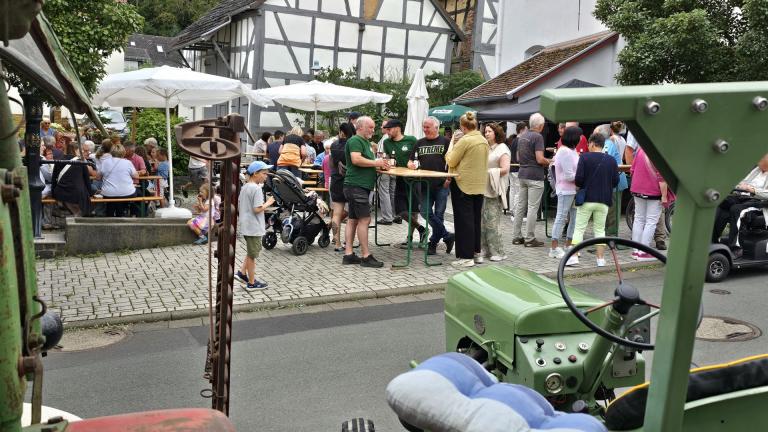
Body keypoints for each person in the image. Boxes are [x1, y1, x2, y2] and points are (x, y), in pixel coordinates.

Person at [342, 116, 389, 267]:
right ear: (360, 127)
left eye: (374, 128)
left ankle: (348, 254)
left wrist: (379, 166)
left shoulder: (366, 142)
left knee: (353, 219)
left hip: (356, 185)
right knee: (365, 219)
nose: (373, 131)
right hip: (356, 185)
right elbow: (355, 159)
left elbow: (365, 163)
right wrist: (376, 162)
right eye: (371, 127)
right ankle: (366, 256)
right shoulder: (355, 140)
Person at [446, 111, 489, 267]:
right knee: (475, 220)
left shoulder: (465, 140)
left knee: (464, 221)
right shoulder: (483, 140)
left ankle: (466, 257)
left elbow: (451, 159)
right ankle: (477, 253)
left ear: (463, 127)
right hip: (479, 184)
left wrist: (451, 145)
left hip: (463, 184)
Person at [569, 133, 619, 266]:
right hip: (604, 200)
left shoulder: (584, 157)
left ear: (592, 143)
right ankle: (600, 259)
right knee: (600, 230)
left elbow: (578, 179)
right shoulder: (611, 160)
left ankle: (574, 256)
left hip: (587, 199)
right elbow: (615, 181)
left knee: (579, 228)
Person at [408, 117, 455, 256]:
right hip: (424, 184)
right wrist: (410, 164)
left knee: (439, 215)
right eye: (424, 127)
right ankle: (447, 236)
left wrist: (448, 178)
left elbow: (453, 162)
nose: (425, 129)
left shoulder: (446, 142)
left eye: (428, 127)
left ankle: (433, 244)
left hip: (442, 184)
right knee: (424, 212)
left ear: (436, 127)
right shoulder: (419, 143)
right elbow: (411, 160)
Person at [712, 153, 768, 255]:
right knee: (722, 202)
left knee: (736, 209)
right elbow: (743, 182)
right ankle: (712, 240)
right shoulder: (757, 170)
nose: (759, 159)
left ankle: (736, 248)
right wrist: (738, 186)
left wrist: (752, 189)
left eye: (762, 157)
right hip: (743, 197)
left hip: (759, 203)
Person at [235, 161, 275, 290]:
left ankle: (242, 273)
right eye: (264, 173)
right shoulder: (257, 189)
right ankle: (252, 283)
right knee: (253, 255)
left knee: (251, 251)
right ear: (255, 174)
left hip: (246, 225)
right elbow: (257, 209)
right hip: (254, 227)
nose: (266, 176)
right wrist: (269, 203)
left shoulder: (245, 187)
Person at [383, 119, 425, 244]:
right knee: (400, 210)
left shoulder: (411, 140)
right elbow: (388, 158)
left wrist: (414, 164)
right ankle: (421, 228)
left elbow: (419, 157)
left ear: (397, 128)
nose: (387, 132)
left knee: (413, 210)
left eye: (389, 129)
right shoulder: (387, 143)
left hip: (414, 179)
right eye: (386, 130)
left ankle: (410, 238)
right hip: (400, 179)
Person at [512, 112, 550, 247]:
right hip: (535, 175)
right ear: (540, 125)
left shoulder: (522, 137)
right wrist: (550, 161)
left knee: (520, 207)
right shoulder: (538, 137)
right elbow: (540, 159)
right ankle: (529, 238)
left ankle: (516, 236)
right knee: (533, 208)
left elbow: (517, 158)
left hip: (522, 174)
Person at [629, 146, 669, 261]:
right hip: (653, 191)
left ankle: (635, 251)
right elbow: (662, 177)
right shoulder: (659, 152)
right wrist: (664, 196)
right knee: (651, 221)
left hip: (637, 189)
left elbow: (632, 169)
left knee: (638, 219)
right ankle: (643, 252)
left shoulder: (640, 149)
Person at [480, 122, 510, 262]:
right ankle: (485, 250)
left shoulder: (502, 148)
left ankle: (498, 252)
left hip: (494, 188)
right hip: (483, 188)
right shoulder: (486, 148)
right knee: (483, 222)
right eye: (485, 132)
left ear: (496, 133)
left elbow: (505, 169)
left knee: (492, 222)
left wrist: (488, 172)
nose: (486, 134)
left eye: (489, 131)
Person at [549, 126, 581, 259]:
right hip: (565, 189)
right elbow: (568, 175)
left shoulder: (572, 151)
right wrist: (582, 177)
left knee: (574, 218)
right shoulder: (565, 152)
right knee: (561, 217)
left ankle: (569, 244)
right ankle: (554, 247)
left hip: (573, 189)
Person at [329, 122, 356, 251]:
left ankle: (337, 243)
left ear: (341, 132)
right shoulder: (353, 145)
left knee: (336, 213)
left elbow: (331, 165)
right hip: (351, 182)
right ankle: (348, 243)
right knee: (352, 214)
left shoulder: (333, 145)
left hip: (336, 181)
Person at [51, 141, 92, 217]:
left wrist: (54, 194)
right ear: (76, 150)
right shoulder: (81, 162)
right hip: (77, 194)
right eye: (81, 149)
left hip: (61, 193)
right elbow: (87, 180)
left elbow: (54, 179)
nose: (82, 151)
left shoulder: (59, 160)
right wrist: (90, 193)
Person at [98, 143, 138, 217]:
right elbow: (136, 176)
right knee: (136, 193)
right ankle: (123, 214)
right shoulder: (128, 162)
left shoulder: (105, 162)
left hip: (108, 193)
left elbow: (98, 177)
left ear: (111, 152)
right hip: (127, 193)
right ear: (123, 152)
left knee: (112, 199)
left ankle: (110, 216)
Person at [376, 120, 398, 225]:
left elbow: (381, 155)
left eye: (383, 127)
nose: (381, 128)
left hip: (385, 169)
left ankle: (387, 217)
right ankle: (395, 215)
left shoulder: (385, 139)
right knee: (392, 192)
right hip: (394, 168)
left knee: (384, 192)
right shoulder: (393, 139)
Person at [506, 122, 526, 217]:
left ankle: (511, 209)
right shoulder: (520, 141)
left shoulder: (513, 140)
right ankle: (515, 211)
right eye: (526, 130)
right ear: (522, 130)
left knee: (513, 189)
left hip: (511, 167)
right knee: (517, 190)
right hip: (517, 168)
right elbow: (520, 156)